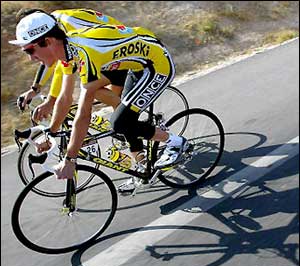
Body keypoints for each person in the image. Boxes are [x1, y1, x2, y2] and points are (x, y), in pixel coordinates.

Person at [9, 11, 189, 192]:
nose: (30, 58)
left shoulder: (84, 53)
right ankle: (143, 163)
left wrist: (70, 159)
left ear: (48, 41)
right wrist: (52, 135)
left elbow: (84, 114)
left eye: (30, 50)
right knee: (122, 117)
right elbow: (64, 98)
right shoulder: (67, 52)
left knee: (120, 123)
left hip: (156, 65)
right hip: (133, 63)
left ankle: (176, 143)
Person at [16, 8, 125, 119]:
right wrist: (36, 88)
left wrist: (51, 100)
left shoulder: (67, 23)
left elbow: (60, 68)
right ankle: (123, 115)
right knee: (112, 97)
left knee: (91, 88)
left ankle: (126, 117)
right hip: (111, 52)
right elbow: (50, 59)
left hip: (118, 51)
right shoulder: (55, 24)